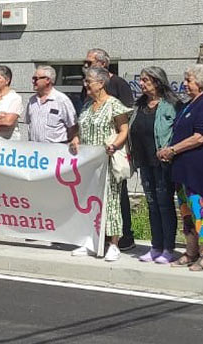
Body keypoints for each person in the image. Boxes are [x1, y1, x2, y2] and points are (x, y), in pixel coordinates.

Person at [156, 64, 203, 272]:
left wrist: (172, 150)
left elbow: (199, 137)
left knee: (201, 210)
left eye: (189, 80)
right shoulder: (189, 104)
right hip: (183, 169)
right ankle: (191, 251)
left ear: (202, 82)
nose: (185, 84)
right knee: (187, 212)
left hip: (199, 168)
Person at [72, 67, 131, 261]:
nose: (85, 84)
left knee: (111, 201)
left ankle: (113, 244)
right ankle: (92, 239)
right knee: (89, 202)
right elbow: (81, 130)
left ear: (101, 83)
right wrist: (76, 139)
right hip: (89, 164)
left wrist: (114, 145)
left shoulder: (114, 104)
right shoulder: (87, 105)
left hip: (107, 161)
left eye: (89, 81)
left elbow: (124, 129)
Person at [129, 67, 180, 264]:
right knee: (151, 205)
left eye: (145, 80)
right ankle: (156, 246)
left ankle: (168, 247)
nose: (141, 84)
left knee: (164, 204)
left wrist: (171, 150)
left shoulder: (171, 105)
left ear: (157, 82)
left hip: (162, 163)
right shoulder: (139, 105)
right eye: (141, 80)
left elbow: (177, 132)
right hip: (144, 162)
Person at [26, 65, 77, 145]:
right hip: (35, 151)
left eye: (36, 79)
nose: (33, 82)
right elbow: (29, 123)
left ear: (47, 80)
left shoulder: (62, 100)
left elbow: (72, 127)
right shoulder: (32, 101)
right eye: (33, 78)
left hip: (55, 151)